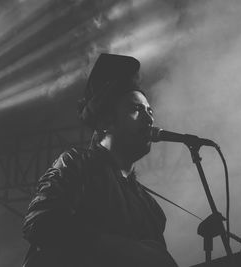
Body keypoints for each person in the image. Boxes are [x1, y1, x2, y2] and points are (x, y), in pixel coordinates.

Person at [22, 54, 178, 267]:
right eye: (136, 109)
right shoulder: (75, 164)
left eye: (150, 111)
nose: (149, 118)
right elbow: (40, 223)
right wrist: (128, 250)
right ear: (106, 121)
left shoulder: (150, 207)